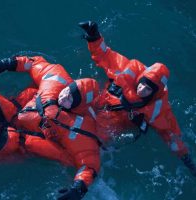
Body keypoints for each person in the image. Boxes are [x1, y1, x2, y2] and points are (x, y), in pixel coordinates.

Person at [76, 20, 196, 176]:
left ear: (155, 92)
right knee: (73, 95)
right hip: (102, 99)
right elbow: (105, 54)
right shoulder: (127, 68)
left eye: (148, 89)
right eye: (143, 84)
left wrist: (187, 160)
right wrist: (94, 36)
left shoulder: (159, 109)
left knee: (90, 139)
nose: (142, 89)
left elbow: (171, 134)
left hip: (116, 121)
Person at [0, 55, 104, 199]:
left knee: (12, 145)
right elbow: (33, 63)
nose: (64, 96)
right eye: (67, 91)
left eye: (70, 98)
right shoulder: (57, 79)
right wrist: (5, 63)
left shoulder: (81, 128)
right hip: (21, 111)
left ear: (78, 107)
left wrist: (78, 188)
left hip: (29, 136)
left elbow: (89, 165)